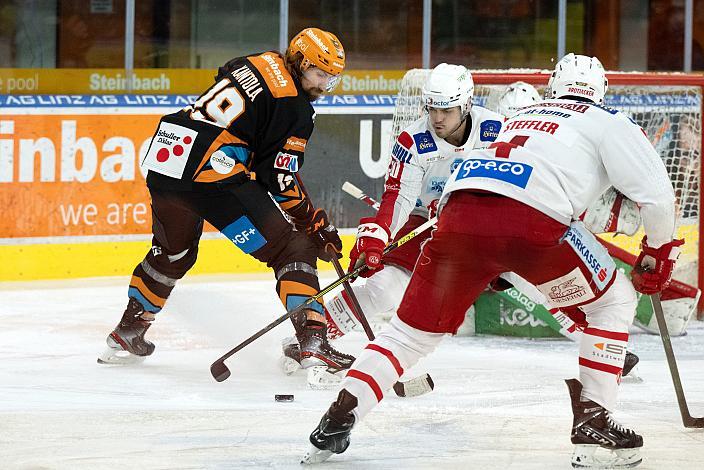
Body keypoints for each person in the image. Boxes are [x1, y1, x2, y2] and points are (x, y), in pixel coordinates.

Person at [304, 53, 683, 469]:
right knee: (614, 301)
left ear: (553, 87)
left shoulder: (522, 114)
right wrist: (658, 253)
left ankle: (338, 419)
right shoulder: (608, 119)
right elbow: (659, 197)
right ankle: (594, 419)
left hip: (457, 216)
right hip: (532, 223)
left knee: (406, 336)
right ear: (601, 90)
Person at [98, 27, 355, 373]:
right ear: (299, 61)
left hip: (167, 163)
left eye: (331, 78)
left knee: (174, 253)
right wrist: (311, 220)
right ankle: (313, 341)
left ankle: (129, 330)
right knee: (293, 249)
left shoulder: (257, 61)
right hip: (211, 177)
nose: (324, 86)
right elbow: (277, 178)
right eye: (319, 74)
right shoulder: (295, 108)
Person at [280, 63, 504, 368]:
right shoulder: (413, 141)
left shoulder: (498, 130)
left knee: (540, 274)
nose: (437, 119)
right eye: (432, 109)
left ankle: (590, 336)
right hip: (427, 221)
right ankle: (307, 339)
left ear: (465, 105)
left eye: (446, 111)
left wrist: (466, 204)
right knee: (384, 290)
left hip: (488, 224)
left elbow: (515, 184)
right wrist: (377, 238)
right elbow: (399, 198)